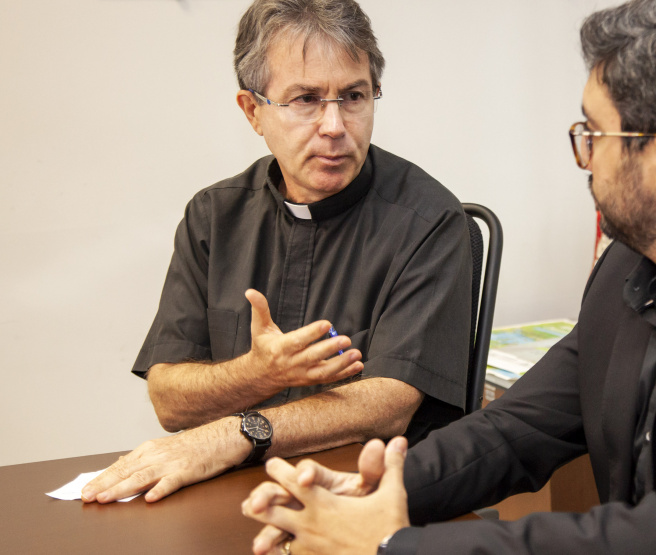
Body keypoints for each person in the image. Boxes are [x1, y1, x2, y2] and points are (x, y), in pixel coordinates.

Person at [241, 0, 656, 553]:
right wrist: (375, 490)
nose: (584, 156)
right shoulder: (633, 260)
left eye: (592, 133)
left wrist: (389, 542)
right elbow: (517, 430)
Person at [80, 0, 471, 505]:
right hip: (234, 491)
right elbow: (170, 400)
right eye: (305, 99)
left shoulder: (430, 218)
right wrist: (259, 374)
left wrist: (233, 432)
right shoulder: (213, 216)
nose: (334, 125)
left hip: (372, 496)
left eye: (353, 96)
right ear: (253, 111)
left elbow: (388, 403)